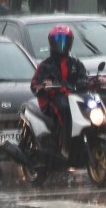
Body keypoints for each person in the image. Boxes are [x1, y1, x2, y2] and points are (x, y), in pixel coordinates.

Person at [30, 25, 90, 156]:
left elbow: (84, 77)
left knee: (90, 106)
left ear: (70, 42)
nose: (61, 45)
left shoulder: (75, 63)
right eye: (58, 41)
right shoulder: (45, 65)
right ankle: (64, 146)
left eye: (65, 41)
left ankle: (86, 139)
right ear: (51, 43)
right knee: (63, 109)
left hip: (73, 98)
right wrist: (44, 86)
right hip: (51, 100)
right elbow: (35, 85)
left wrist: (92, 81)